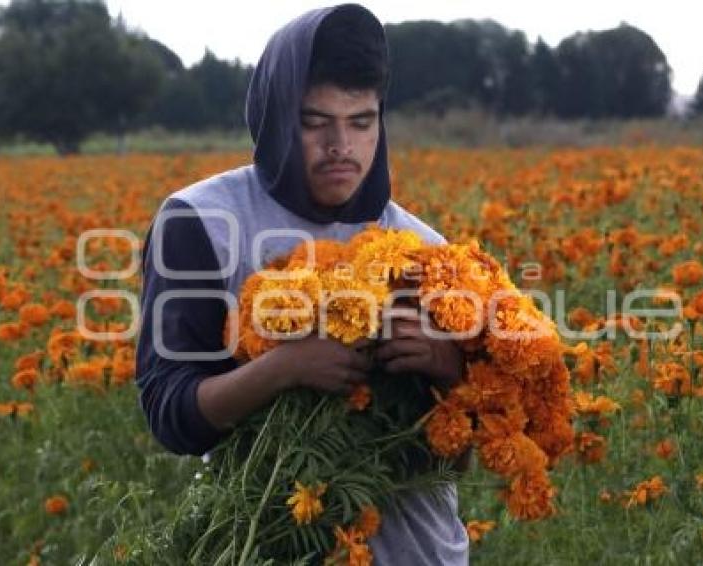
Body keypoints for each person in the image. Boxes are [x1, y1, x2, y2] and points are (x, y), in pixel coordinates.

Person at [135, 4, 469, 564]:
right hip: (269, 546)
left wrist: (450, 369)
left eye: (361, 121)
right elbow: (171, 415)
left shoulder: (424, 247)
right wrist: (284, 368)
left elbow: (462, 457)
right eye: (315, 122)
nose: (341, 145)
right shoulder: (201, 223)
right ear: (274, 118)